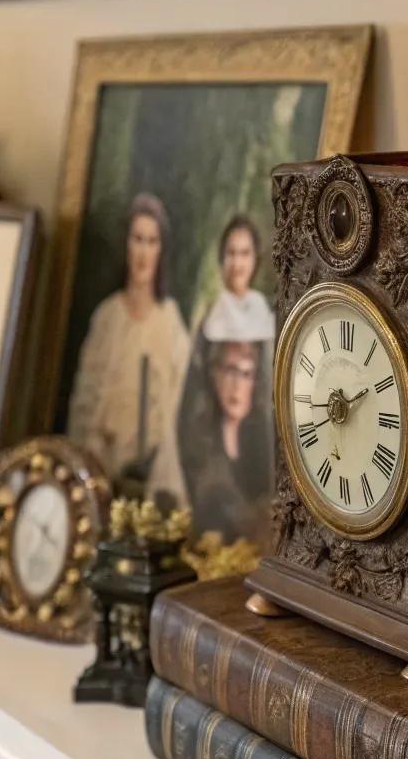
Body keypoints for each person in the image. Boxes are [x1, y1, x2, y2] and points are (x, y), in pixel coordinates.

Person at [67, 193, 189, 504]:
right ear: (126, 245)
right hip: (100, 473)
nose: (143, 253)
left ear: (161, 250)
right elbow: (85, 401)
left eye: (152, 241)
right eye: (137, 240)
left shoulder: (171, 323)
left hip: (149, 481)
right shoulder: (107, 317)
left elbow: (180, 411)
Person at [179, 339, 274, 544]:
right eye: (230, 370)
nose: (236, 385)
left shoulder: (265, 443)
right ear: (215, 374)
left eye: (246, 374)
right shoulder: (197, 442)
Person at [200, 215, 275, 344]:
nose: (237, 263)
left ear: (255, 258)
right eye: (231, 253)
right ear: (222, 257)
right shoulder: (213, 312)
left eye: (245, 253)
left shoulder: (260, 305)